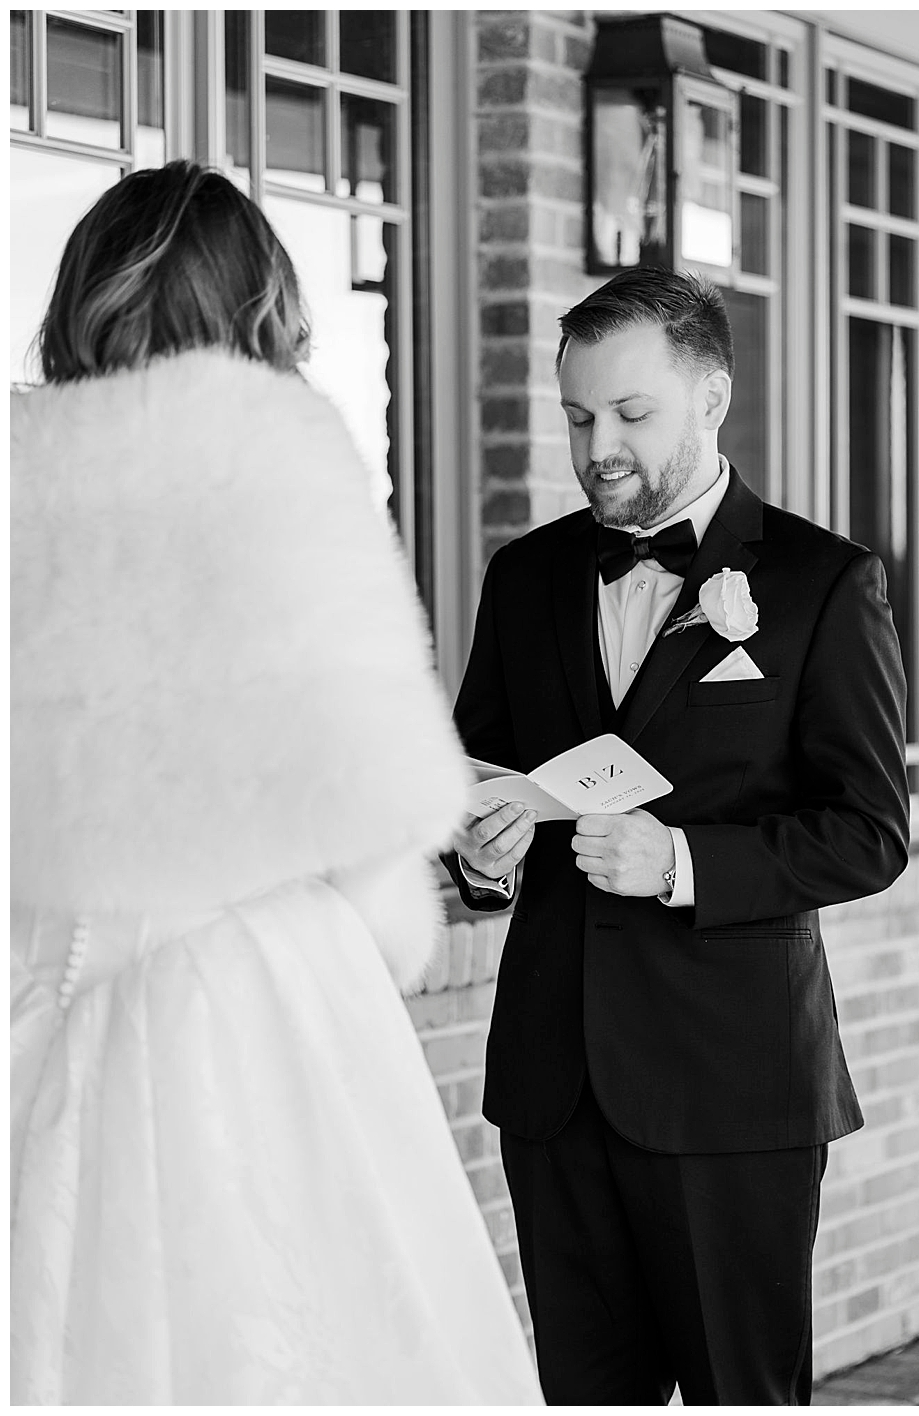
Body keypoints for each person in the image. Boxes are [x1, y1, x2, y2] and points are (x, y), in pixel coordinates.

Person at [10, 161, 541, 1403]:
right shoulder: (279, 466)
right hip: (249, 991)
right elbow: (376, 789)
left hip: (36, 961)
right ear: (261, 311)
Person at [444, 266, 910, 1404]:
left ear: (712, 399)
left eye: (629, 414)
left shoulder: (821, 582)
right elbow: (471, 782)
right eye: (575, 415)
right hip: (554, 1087)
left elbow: (870, 832)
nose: (596, 446)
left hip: (733, 1091)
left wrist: (682, 863)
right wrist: (480, 862)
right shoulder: (523, 579)